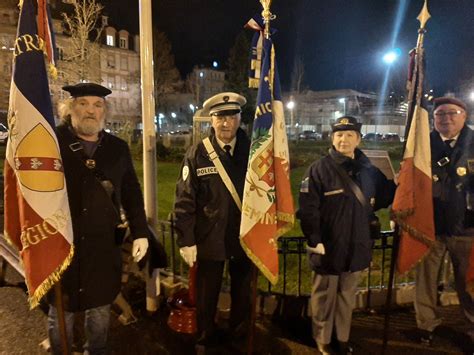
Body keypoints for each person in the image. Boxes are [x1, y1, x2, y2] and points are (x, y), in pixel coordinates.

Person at [47, 83, 149, 355]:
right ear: (70, 108)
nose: (90, 110)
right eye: (83, 104)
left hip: (103, 246)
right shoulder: (50, 142)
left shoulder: (118, 148)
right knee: (61, 312)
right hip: (61, 243)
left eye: (97, 105)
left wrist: (140, 232)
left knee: (100, 309)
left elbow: (131, 193)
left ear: (105, 111)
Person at [297, 116, 396, 355]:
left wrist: (404, 183)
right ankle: (322, 339)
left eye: (350, 135)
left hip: (358, 244)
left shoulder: (369, 170)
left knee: (346, 296)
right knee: (324, 296)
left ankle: (341, 337)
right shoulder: (318, 170)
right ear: (332, 138)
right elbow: (308, 208)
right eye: (339, 135)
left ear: (358, 139)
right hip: (329, 246)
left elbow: (385, 196)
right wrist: (314, 239)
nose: (344, 140)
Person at [173, 92, 252, 349]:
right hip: (210, 238)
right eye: (220, 117)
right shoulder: (198, 153)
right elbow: (185, 199)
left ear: (239, 118)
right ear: (211, 120)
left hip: (244, 237)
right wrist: (186, 239)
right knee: (207, 296)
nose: (226, 123)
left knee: (243, 293)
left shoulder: (254, 152)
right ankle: (206, 337)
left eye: (231, 116)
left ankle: (239, 338)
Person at [415, 96, 474, 345]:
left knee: (469, 282)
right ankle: (425, 326)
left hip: (466, 227)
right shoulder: (423, 144)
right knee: (425, 281)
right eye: (440, 114)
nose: (446, 118)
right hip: (430, 226)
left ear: (464, 116)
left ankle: (472, 329)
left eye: (452, 113)